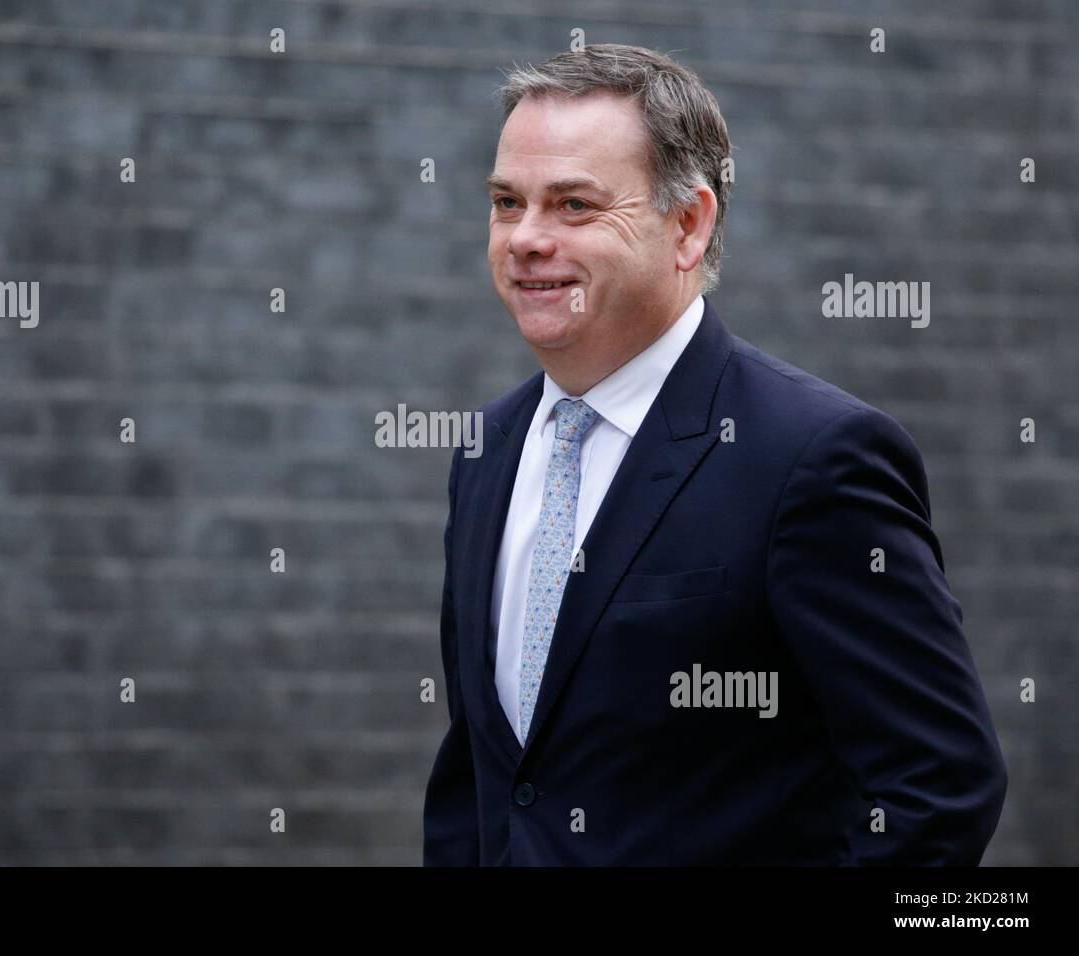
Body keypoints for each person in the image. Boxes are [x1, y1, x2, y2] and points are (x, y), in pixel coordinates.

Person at [423, 43, 1007, 865]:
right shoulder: (486, 452)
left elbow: (940, 788)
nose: (525, 238)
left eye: (574, 205)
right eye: (506, 201)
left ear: (689, 225)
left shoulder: (814, 457)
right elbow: (479, 782)